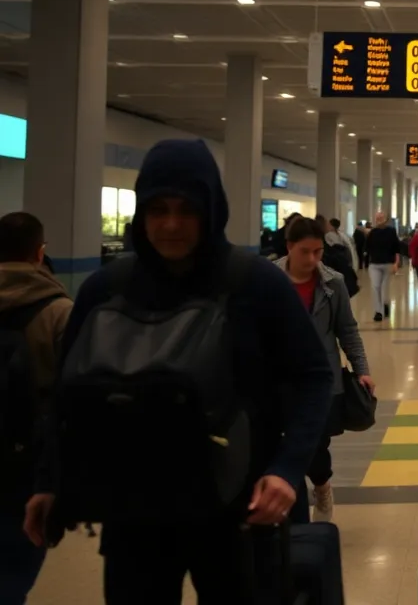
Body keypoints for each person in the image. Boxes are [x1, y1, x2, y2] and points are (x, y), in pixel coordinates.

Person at [23, 139, 332, 600]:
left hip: (240, 509)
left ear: (211, 210)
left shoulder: (256, 284)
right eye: (157, 209)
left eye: (187, 209)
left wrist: (288, 468)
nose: (170, 224)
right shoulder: (106, 290)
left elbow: (314, 376)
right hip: (134, 511)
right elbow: (67, 395)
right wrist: (50, 481)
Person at [276, 216, 374, 522]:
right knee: (282, 444)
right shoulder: (268, 279)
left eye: (317, 252)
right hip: (278, 379)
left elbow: (347, 330)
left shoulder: (333, 283)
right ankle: (293, 516)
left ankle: (321, 485)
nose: (311, 259)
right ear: (289, 247)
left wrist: (362, 369)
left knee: (315, 444)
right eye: (304, 251)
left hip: (321, 380)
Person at [0, 213, 73, 603]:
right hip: (26, 466)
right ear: (40, 253)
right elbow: (74, 398)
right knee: (15, 567)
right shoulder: (59, 312)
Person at [365, 211, 401, 322]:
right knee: (375, 287)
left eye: (381, 217)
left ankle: (385, 304)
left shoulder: (391, 231)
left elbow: (396, 248)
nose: (379, 219)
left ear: (385, 219)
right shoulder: (372, 233)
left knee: (384, 288)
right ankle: (378, 311)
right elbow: (367, 248)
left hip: (387, 264)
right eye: (377, 218)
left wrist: (396, 263)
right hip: (374, 264)